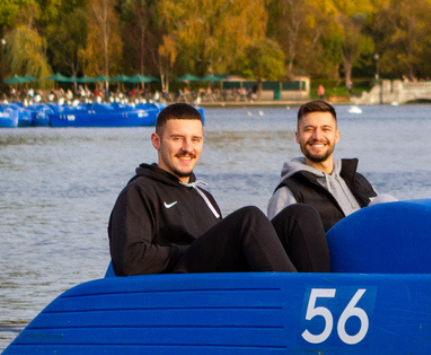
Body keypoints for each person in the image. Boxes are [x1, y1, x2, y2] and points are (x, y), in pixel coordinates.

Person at [109, 103, 330, 276]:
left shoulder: (203, 195)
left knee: (300, 215)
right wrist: (191, 249)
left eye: (195, 139)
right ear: (156, 141)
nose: (188, 148)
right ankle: (296, 301)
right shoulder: (139, 192)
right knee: (248, 219)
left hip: (218, 280)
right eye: (177, 139)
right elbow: (129, 260)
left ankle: (324, 298)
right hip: (180, 285)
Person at [267, 99, 392, 232]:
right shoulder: (287, 193)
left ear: (336, 136)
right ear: (298, 137)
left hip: (371, 249)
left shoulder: (358, 181)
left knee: (385, 201)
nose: (317, 136)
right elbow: (277, 249)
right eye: (309, 129)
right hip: (325, 252)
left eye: (325, 129)